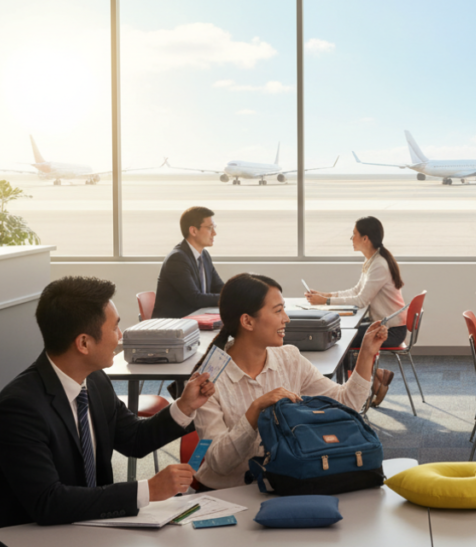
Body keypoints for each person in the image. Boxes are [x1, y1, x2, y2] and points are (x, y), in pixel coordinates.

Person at [0, 276, 215, 533]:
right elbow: (48, 502)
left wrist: (184, 406)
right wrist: (147, 490)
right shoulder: (18, 409)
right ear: (84, 343)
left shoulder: (94, 380)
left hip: (90, 526)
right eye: (115, 328)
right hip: (33, 536)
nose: (120, 336)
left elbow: (134, 438)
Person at [194, 273, 387, 490]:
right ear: (247, 321)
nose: (286, 318)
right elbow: (218, 463)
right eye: (278, 311)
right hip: (226, 494)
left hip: (281, 487)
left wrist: (367, 353)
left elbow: (347, 403)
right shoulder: (207, 380)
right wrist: (255, 410)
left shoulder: (290, 359)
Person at [304, 216, 406, 405]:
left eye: (354, 235)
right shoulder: (372, 261)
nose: (351, 239)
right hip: (383, 326)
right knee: (342, 336)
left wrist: (325, 301)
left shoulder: (379, 265)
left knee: (343, 338)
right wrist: (326, 295)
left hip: (391, 331)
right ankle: (376, 378)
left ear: (365, 238)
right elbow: (356, 291)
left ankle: (363, 387)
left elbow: (360, 300)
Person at [153, 206, 224, 318]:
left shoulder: (204, 256)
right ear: (194, 231)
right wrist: (230, 297)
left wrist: (236, 294)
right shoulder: (177, 259)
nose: (214, 233)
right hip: (173, 327)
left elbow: (220, 287)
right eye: (210, 228)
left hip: (193, 321)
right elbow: (196, 299)